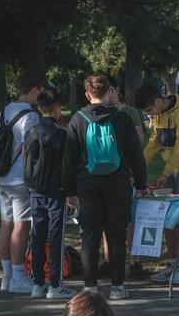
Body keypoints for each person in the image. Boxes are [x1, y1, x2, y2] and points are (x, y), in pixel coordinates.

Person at [63, 75, 147, 300]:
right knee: (116, 234)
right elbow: (136, 155)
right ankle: (118, 286)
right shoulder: (122, 118)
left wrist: (70, 191)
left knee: (89, 235)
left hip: (87, 184)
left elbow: (69, 160)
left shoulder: (77, 120)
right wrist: (141, 184)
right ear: (109, 92)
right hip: (118, 182)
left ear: (87, 95)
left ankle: (90, 286)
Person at [136, 84, 179, 286]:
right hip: (172, 168)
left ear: (157, 102)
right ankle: (172, 263)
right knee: (167, 217)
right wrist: (138, 167)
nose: (150, 115)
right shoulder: (159, 115)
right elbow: (154, 143)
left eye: (149, 111)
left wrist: (165, 174)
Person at [0, 74, 44, 294]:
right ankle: (18, 277)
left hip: (2, 175)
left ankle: (6, 277)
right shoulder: (31, 115)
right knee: (21, 225)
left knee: (6, 223)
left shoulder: (5, 110)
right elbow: (30, 149)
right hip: (20, 177)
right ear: (35, 90)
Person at [27, 89, 77, 300]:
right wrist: (71, 193)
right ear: (57, 110)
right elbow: (68, 167)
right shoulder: (61, 135)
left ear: (39, 109)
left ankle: (37, 283)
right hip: (56, 192)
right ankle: (55, 284)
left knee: (37, 236)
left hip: (35, 190)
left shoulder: (31, 132)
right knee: (55, 236)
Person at [100, 76, 147, 280]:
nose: (109, 94)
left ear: (117, 90)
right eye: (105, 91)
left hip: (125, 172)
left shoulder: (129, 112)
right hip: (105, 173)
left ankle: (134, 260)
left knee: (130, 220)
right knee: (105, 220)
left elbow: (138, 140)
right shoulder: (97, 113)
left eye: (111, 90)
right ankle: (109, 260)